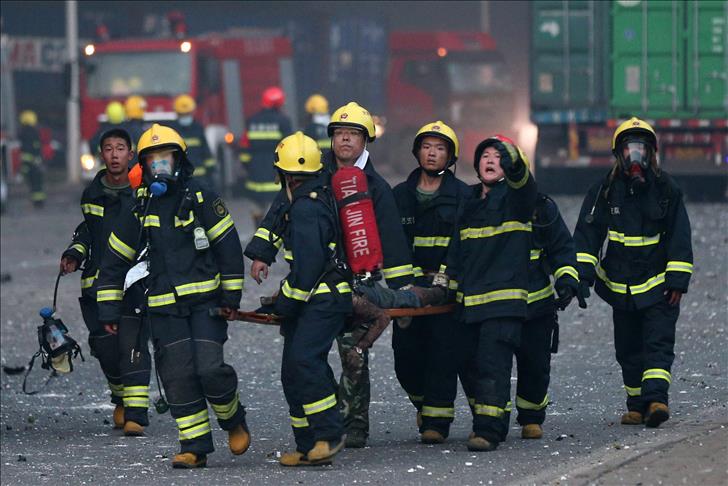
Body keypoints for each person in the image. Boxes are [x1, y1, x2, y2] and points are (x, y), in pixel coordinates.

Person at [245, 101, 414, 448]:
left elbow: (392, 240)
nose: (345, 140)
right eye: (339, 134)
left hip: (358, 284)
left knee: (353, 356)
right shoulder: (314, 173)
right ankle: (325, 423)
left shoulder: (375, 187)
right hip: (313, 283)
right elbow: (281, 210)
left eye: (353, 134)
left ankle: (354, 426)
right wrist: (262, 253)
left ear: (366, 140)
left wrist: (402, 289)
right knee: (309, 354)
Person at [95, 123, 250, 468]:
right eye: (152, 159)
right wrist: (108, 309)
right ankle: (194, 447)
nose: (159, 165)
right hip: (164, 308)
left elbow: (227, 247)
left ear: (179, 160)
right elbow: (114, 261)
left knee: (210, 369)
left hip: (206, 305)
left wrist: (231, 297)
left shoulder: (201, 196)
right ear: (144, 165)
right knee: (178, 377)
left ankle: (232, 419)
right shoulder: (139, 205)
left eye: (165, 157)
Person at [573, 117, 693, 428]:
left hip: (659, 287)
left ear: (651, 153)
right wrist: (580, 276)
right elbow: (588, 235)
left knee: (657, 345)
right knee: (627, 349)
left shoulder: (666, 189)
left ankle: (656, 401)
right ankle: (637, 406)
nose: (635, 155)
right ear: (619, 154)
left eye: (641, 148)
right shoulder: (605, 190)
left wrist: (677, 280)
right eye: (629, 149)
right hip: (622, 288)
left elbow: (680, 237)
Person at [445, 135, 536, 452]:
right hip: (470, 305)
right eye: (485, 155)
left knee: (492, 366)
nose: (490, 159)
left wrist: (514, 162)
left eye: (498, 156)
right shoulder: (470, 201)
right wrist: (447, 285)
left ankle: (488, 430)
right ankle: (492, 419)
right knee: (469, 364)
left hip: (503, 304)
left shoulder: (518, 199)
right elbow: (457, 250)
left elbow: (523, 182)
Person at [59, 128, 151, 435]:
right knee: (105, 346)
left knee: (133, 345)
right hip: (97, 285)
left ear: (130, 154)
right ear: (101, 155)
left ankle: (136, 414)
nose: (114, 155)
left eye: (120, 148)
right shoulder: (93, 194)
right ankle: (121, 397)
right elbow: (89, 230)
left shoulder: (143, 192)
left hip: (135, 283)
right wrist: (75, 253)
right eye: (109, 149)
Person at [270, 132, 351, 467]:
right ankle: (307, 445)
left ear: (286, 176)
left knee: (305, 360)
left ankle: (329, 435)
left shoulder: (305, 208)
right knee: (292, 370)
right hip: (315, 298)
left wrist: (284, 303)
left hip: (324, 299)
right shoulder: (313, 198)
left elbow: (307, 270)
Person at [390, 121, 470, 443]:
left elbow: (463, 244)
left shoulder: (463, 196)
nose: (432, 153)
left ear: (450, 156)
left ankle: (436, 424)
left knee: (442, 355)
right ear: (417, 152)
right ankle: (422, 404)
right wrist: (407, 283)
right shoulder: (399, 196)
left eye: (439, 148)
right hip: (407, 292)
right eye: (426, 147)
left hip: (445, 293)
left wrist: (445, 281)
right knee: (405, 357)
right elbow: (392, 244)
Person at [238, 86, 292, 224]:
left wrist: (248, 166)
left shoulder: (252, 121)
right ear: (278, 104)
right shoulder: (283, 121)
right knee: (274, 208)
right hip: (274, 173)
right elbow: (289, 147)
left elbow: (244, 147)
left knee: (256, 207)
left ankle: (258, 230)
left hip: (254, 174)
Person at [170, 94, 217, 188]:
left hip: (200, 178)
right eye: (182, 114)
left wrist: (211, 172)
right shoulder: (172, 131)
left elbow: (206, 152)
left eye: (187, 114)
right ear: (177, 113)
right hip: (180, 178)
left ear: (192, 112)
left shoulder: (198, 128)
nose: (185, 117)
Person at [18, 110, 46, 207]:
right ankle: (39, 202)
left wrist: (24, 167)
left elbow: (25, 152)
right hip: (35, 163)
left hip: (30, 164)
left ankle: (37, 202)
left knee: (33, 184)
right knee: (37, 183)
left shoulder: (23, 133)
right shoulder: (33, 132)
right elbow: (36, 148)